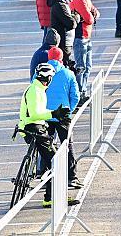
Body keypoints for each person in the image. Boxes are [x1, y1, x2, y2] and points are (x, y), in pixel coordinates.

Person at [18, 63, 72, 208]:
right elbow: (35, 114)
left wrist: (57, 114)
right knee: (56, 161)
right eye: (51, 78)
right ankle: (51, 197)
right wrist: (54, 114)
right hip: (34, 128)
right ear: (47, 78)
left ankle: (51, 193)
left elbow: (39, 110)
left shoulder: (38, 89)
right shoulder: (35, 90)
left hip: (34, 127)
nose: (51, 80)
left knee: (51, 160)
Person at [41, 47, 81, 189]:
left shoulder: (40, 73)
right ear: (61, 59)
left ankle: (44, 172)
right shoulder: (68, 74)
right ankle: (72, 176)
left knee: (45, 143)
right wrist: (69, 110)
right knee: (67, 144)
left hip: (45, 113)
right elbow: (76, 96)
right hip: (63, 114)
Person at [70, 0, 99, 100]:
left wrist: (93, 15)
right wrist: (92, 16)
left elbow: (95, 11)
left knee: (88, 66)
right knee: (81, 66)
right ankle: (79, 94)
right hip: (80, 36)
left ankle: (83, 90)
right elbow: (89, 18)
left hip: (87, 36)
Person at [47, 0, 79, 70]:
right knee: (64, 66)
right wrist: (76, 17)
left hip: (66, 41)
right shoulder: (60, 5)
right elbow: (71, 24)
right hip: (63, 42)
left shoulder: (63, 4)